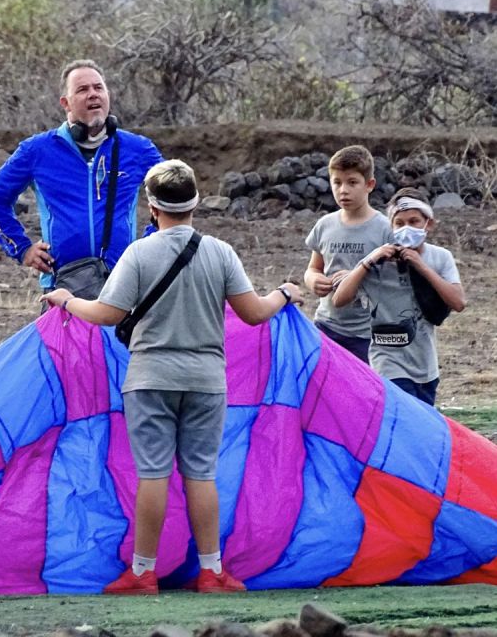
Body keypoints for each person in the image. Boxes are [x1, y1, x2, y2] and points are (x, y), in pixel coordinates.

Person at [42, 159, 303, 595]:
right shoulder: (219, 252)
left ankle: (143, 573)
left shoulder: (140, 254)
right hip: (206, 381)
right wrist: (284, 293)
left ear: (152, 206)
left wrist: (68, 300)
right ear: (195, 203)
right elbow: (254, 314)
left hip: (149, 379)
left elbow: (107, 315)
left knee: (153, 475)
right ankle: (212, 571)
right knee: (201, 475)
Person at [0, 59, 162, 295]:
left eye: (99, 88)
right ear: (65, 103)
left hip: (123, 286)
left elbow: (176, 194)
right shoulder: (36, 150)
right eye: (82, 90)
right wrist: (22, 248)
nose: (93, 95)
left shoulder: (137, 148)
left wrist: (150, 243)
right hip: (62, 289)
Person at [332, 188, 465, 406]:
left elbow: (458, 302)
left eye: (414, 221)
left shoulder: (441, 257)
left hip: (425, 363)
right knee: (403, 415)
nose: (407, 229)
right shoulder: (378, 262)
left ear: (428, 224)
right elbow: (339, 300)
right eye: (399, 223)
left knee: (422, 425)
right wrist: (367, 262)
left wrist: (420, 266)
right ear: (391, 227)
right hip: (387, 361)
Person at [304, 145, 393, 362]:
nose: (343, 190)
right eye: (337, 182)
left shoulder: (385, 229)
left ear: (369, 184)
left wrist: (355, 278)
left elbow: (394, 283)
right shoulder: (325, 225)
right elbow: (313, 267)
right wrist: (314, 280)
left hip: (366, 334)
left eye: (352, 182)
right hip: (326, 326)